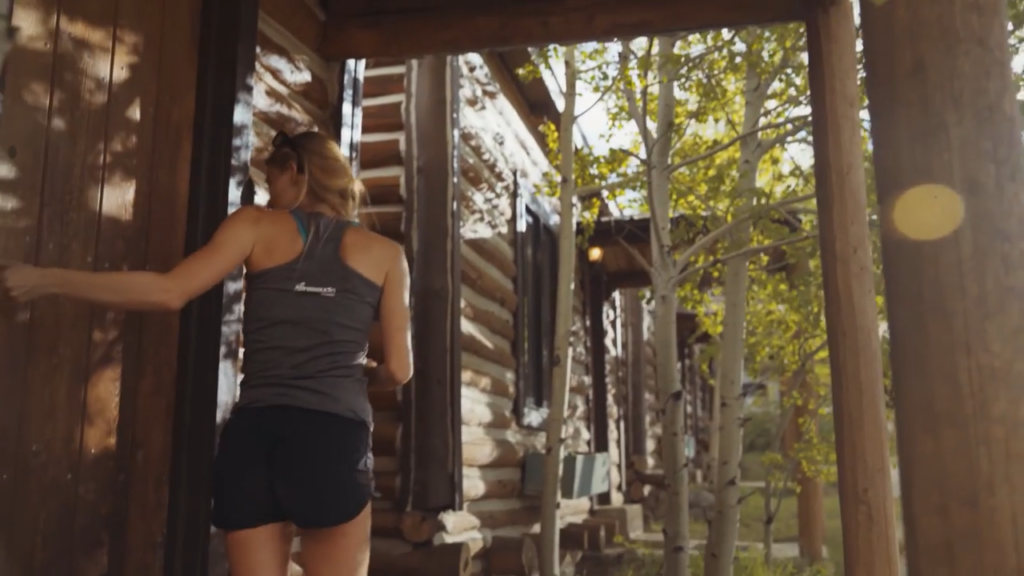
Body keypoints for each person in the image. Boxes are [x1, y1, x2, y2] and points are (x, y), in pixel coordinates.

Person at [0, 130, 413, 576]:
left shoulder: (254, 225)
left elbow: (169, 291)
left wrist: (43, 280)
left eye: (272, 182)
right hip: (333, 439)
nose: (271, 197)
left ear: (295, 172)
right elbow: (399, 368)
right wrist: (364, 375)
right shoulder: (387, 255)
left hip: (257, 436)